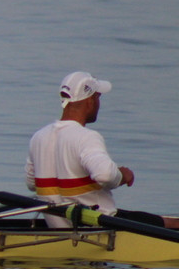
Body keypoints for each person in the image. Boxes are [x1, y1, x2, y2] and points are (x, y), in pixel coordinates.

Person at [26, 71, 179, 229]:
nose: (99, 103)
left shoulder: (39, 137)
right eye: (98, 97)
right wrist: (122, 175)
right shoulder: (86, 137)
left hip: (58, 227)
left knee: (154, 219)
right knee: (174, 224)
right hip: (99, 228)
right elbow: (105, 175)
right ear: (90, 101)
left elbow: (31, 183)